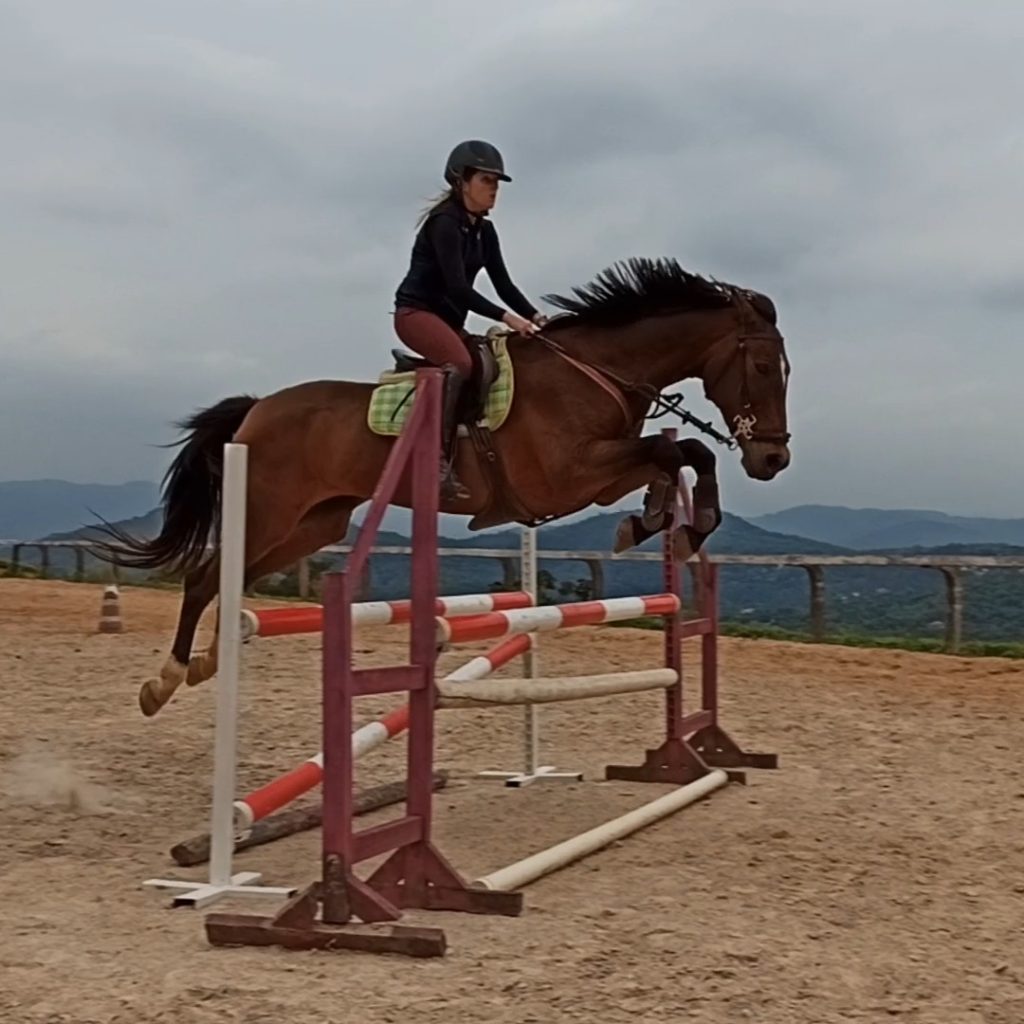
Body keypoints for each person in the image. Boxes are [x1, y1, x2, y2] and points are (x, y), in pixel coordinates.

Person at [393, 139, 547, 500]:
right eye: (486, 180)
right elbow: (459, 289)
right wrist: (509, 319)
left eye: (496, 183)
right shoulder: (443, 222)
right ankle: (436, 464)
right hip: (416, 314)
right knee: (461, 363)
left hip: (445, 321)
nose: (493, 190)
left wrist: (537, 317)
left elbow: (504, 284)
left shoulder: (484, 230)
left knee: (486, 365)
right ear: (461, 181)